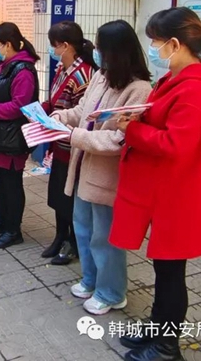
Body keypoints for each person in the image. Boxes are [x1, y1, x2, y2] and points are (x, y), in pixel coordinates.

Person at [111, 7, 201, 361]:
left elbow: (176, 144)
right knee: (164, 269)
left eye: (156, 42)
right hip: (166, 191)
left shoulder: (196, 89)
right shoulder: (175, 80)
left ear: (175, 44)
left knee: (170, 272)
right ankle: (157, 326)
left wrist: (131, 129)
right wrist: (139, 118)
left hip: (180, 194)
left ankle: (167, 346)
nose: (152, 48)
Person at [51, 20, 151, 315]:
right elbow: (84, 111)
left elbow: (120, 139)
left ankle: (112, 292)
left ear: (116, 51)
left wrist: (75, 136)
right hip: (84, 171)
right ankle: (91, 280)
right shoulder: (101, 77)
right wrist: (61, 117)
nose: (95, 52)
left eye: (100, 47)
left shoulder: (140, 89)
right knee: (82, 230)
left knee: (105, 238)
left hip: (108, 178)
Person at [0, 22, 39, 249]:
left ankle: (14, 230)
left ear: (9, 44)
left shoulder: (23, 70)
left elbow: (19, 106)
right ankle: (0, 220)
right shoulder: (3, 65)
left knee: (12, 186)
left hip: (12, 138)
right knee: (1, 182)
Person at [41, 21, 96, 265]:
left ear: (65, 46)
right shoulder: (61, 69)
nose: (52, 50)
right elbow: (55, 102)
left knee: (70, 198)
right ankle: (60, 235)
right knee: (57, 195)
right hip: (57, 142)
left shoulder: (83, 74)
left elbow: (81, 113)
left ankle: (73, 242)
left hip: (71, 145)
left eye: (54, 45)